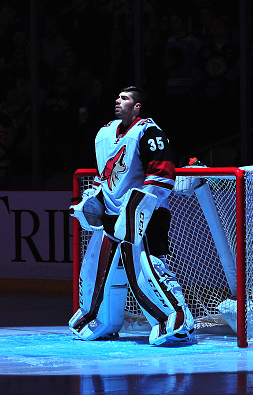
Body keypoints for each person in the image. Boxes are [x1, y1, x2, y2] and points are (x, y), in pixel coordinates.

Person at [69, 86, 195, 346]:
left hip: (144, 217)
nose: (118, 100)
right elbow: (104, 177)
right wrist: (91, 201)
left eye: (125, 98)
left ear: (137, 107)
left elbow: (162, 175)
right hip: (112, 217)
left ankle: (177, 320)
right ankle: (100, 319)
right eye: (117, 97)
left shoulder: (148, 132)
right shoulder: (106, 134)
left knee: (147, 272)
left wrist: (138, 208)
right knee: (94, 271)